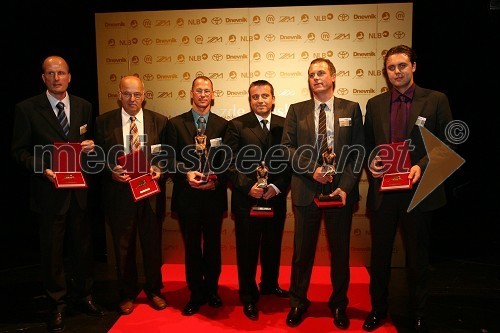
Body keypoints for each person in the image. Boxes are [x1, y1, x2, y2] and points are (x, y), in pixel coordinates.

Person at [362, 45, 454, 333]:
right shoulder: (375, 104)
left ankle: (419, 313)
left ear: (414, 66)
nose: (397, 72)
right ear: (385, 72)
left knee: (417, 260)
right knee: (379, 258)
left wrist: (422, 166)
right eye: (391, 67)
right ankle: (378, 309)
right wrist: (372, 163)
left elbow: (449, 142)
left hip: (419, 191)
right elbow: (366, 146)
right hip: (384, 192)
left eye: (402, 65)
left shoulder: (436, 100)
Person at [11, 55, 104, 332]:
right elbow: (18, 151)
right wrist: (44, 169)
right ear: (43, 78)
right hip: (49, 192)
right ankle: (57, 304)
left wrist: (91, 146)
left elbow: (91, 146)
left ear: (69, 76)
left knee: (83, 247)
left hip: (79, 191)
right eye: (50, 74)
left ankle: (84, 296)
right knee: (52, 251)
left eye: (61, 73)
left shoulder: (84, 106)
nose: (56, 78)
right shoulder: (27, 109)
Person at [281, 58, 364, 329]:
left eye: (321, 73)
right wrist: (312, 170)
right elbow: (287, 149)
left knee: (340, 253)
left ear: (333, 76)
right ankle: (298, 303)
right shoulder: (296, 110)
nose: (316, 78)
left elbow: (357, 152)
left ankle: (339, 304)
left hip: (339, 193)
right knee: (302, 253)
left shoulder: (351, 109)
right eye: (311, 75)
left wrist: (346, 187)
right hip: (307, 190)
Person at [94, 75, 168, 315]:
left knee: (152, 246)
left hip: (150, 194)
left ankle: (155, 290)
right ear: (118, 95)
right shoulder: (103, 122)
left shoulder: (160, 121)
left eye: (136, 94)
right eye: (127, 93)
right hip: (119, 194)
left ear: (144, 95)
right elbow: (94, 157)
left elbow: (167, 155)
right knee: (123, 248)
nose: (132, 99)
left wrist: (159, 169)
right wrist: (109, 170)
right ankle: (126, 294)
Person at [223, 80, 291, 320]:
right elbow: (226, 162)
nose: (260, 100)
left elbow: (292, 161)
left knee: (272, 247)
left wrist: (276, 186)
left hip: (275, 197)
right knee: (248, 251)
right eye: (255, 96)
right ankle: (248, 296)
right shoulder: (237, 125)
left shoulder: (286, 125)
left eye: (265, 96)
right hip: (246, 200)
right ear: (249, 99)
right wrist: (246, 187)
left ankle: (270, 285)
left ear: (273, 99)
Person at [165, 76, 228, 316]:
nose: (203, 95)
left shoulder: (223, 125)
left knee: (213, 246)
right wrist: (186, 173)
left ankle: (212, 290)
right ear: (191, 93)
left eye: (207, 91)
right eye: (198, 90)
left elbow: (227, 161)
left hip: (212, 196)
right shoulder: (175, 124)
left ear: (213, 95)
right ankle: (195, 293)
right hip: (187, 196)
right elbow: (169, 159)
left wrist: (216, 179)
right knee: (192, 247)